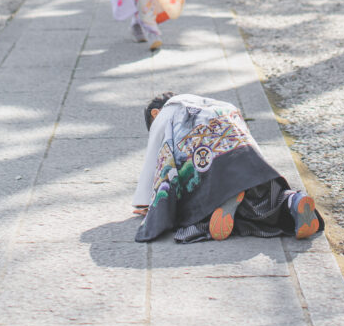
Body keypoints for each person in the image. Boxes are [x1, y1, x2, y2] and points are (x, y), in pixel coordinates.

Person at [131, 92, 324, 244]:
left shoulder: (168, 111)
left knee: (194, 201)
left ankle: (223, 203)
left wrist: (148, 203)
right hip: (242, 150)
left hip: (208, 156)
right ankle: (293, 201)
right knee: (264, 194)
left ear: (155, 114)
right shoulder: (207, 102)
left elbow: (156, 162)